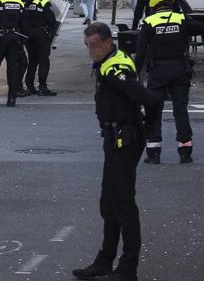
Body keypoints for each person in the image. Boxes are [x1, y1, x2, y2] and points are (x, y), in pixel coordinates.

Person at [73, 22, 162, 281]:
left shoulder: (116, 69)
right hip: (114, 138)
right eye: (88, 46)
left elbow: (151, 100)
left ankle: (128, 268)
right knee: (109, 202)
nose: (92, 51)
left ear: (109, 42)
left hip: (125, 140)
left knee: (123, 204)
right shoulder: (109, 62)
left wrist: (144, 128)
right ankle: (105, 260)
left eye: (96, 46)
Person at [135, 0, 195, 164]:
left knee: (154, 110)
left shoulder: (149, 22)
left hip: (158, 71)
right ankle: (185, 150)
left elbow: (140, 52)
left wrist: (134, 74)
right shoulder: (181, 19)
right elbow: (201, 27)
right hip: (179, 70)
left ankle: (153, 152)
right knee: (180, 110)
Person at [24, 0, 57, 96]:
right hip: (41, 34)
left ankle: (29, 86)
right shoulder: (44, 2)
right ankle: (42, 87)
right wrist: (52, 33)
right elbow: (51, 20)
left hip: (28, 35)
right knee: (43, 60)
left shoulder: (26, 1)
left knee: (32, 61)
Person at [13, 0, 31, 97]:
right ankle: (16, 87)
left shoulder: (22, 1)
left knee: (21, 63)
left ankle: (17, 86)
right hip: (14, 37)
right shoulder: (18, 2)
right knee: (22, 63)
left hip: (20, 37)